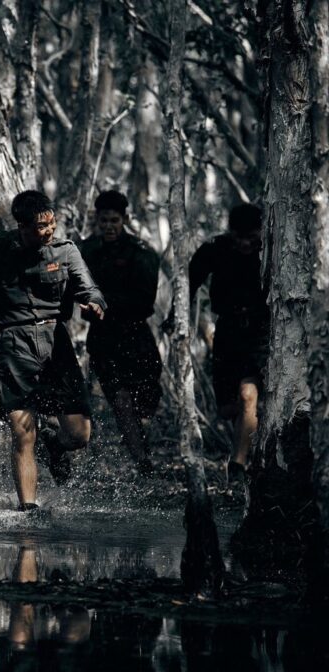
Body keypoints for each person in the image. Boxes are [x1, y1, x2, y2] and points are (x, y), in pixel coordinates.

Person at [0, 190, 106, 511]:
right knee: (23, 432)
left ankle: (54, 444)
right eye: (40, 226)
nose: (48, 231)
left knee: (79, 434)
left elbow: (89, 288)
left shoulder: (65, 250)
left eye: (51, 223)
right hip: (14, 343)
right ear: (21, 226)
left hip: (56, 342)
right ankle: (29, 509)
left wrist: (94, 304)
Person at [177, 203, 267, 482]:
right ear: (230, 232)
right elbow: (188, 282)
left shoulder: (272, 249)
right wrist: (175, 316)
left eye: (251, 237)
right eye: (239, 237)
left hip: (261, 331)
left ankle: (238, 464)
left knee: (248, 394)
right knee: (228, 409)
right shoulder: (215, 248)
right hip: (228, 331)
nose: (245, 244)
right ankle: (252, 433)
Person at [79, 191, 162, 475]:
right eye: (104, 221)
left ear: (124, 219)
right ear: (97, 220)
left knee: (147, 400)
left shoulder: (142, 252)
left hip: (136, 336)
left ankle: (143, 444)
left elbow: (145, 302)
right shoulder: (86, 251)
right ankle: (142, 462)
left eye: (114, 220)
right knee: (120, 400)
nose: (109, 226)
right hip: (103, 338)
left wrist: (104, 303)